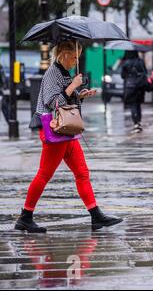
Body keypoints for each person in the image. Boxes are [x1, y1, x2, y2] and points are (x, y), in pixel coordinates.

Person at [16, 40, 123, 233]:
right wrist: (73, 84)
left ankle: (95, 216)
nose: (75, 61)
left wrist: (80, 94)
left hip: (67, 131)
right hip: (55, 130)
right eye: (73, 57)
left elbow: (66, 98)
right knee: (44, 174)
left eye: (77, 57)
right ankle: (25, 216)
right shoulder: (52, 73)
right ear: (63, 54)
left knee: (82, 173)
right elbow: (53, 102)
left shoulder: (64, 72)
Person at [121, 51, 148, 133]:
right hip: (140, 86)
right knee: (138, 104)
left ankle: (136, 123)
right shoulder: (140, 61)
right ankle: (139, 121)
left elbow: (122, 75)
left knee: (133, 104)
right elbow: (145, 72)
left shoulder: (126, 63)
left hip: (131, 86)